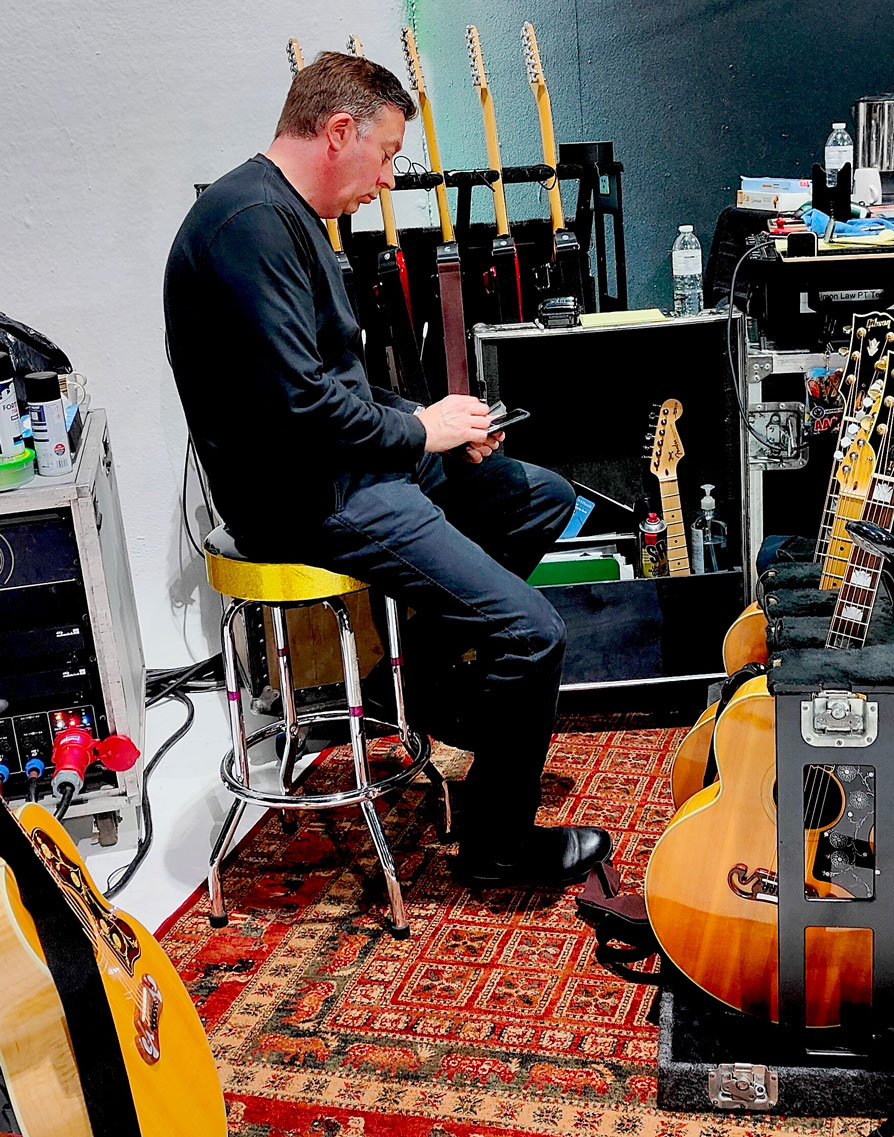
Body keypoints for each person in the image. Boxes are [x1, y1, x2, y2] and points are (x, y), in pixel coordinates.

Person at [164, 51, 612, 887]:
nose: (388, 178)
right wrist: (417, 434)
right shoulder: (248, 226)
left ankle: (426, 688)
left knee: (539, 499)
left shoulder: (287, 215)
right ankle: (500, 849)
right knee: (533, 633)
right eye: (388, 153)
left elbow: (337, 382)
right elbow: (303, 412)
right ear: (340, 131)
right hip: (306, 497)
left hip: (345, 467)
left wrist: (434, 421)